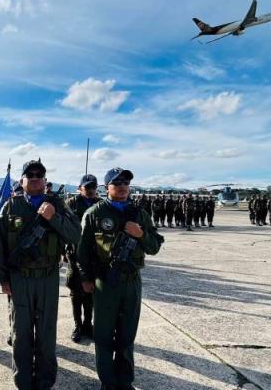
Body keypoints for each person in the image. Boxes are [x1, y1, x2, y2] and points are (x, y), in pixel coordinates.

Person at [0, 159, 81, 390]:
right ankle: (22, 380)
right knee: (21, 333)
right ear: (22, 180)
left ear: (45, 180)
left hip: (47, 277)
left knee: (46, 332)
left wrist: (54, 217)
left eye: (39, 175)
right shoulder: (10, 207)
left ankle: (44, 381)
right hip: (19, 278)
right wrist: (3, 279)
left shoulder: (58, 204)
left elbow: (75, 235)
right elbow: (1, 246)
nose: (34, 178)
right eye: (29, 175)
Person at [77, 167, 164, 390]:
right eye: (117, 182)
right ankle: (108, 382)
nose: (123, 186)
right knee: (104, 335)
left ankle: (124, 382)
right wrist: (86, 279)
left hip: (132, 281)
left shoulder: (140, 214)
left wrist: (141, 234)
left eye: (126, 182)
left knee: (127, 335)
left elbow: (154, 247)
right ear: (107, 188)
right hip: (105, 281)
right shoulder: (95, 214)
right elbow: (82, 251)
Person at [65, 174, 101, 343]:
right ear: (80, 189)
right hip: (75, 254)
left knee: (91, 293)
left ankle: (88, 324)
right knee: (75, 292)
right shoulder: (71, 204)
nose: (91, 190)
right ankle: (78, 325)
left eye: (93, 187)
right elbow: (63, 227)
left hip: (95, 257)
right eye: (87, 187)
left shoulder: (101, 205)